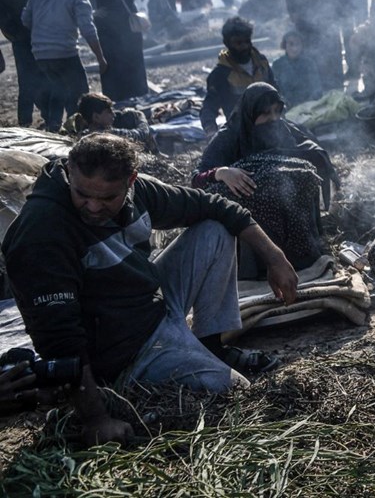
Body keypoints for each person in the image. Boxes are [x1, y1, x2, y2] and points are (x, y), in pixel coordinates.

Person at [3, 134, 298, 445]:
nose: (92, 207)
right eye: (82, 194)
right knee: (237, 393)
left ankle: (210, 344)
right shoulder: (42, 231)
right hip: (123, 349)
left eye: (107, 199)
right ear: (68, 173)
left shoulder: (139, 190)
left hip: (151, 302)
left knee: (215, 229)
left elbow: (215, 205)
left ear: (130, 181)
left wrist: (275, 257)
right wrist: (96, 418)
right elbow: (59, 338)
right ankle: (176, 359)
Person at [193, 83, 338, 271]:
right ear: (251, 112)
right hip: (248, 206)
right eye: (265, 113)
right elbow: (196, 179)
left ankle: (300, 257)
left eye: (277, 111)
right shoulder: (229, 136)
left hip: (283, 201)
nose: (273, 118)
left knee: (299, 178)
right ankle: (258, 267)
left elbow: (309, 147)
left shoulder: (281, 128)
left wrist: (319, 160)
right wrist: (222, 173)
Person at [21, 0, 108, 133]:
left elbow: (25, 19)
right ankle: (77, 130)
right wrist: (100, 58)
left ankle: (53, 127)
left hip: (40, 54)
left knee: (57, 89)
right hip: (65, 54)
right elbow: (88, 30)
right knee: (80, 94)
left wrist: (43, 34)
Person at [0, 0, 54, 127]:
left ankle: (50, 119)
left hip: (44, 42)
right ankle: (25, 124)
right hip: (23, 44)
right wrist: (18, 36)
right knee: (27, 84)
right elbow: (4, 21)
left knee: (47, 81)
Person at [89, 0, 149, 101]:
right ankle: (114, 97)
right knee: (112, 62)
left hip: (128, 29)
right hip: (108, 29)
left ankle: (137, 94)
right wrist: (94, 12)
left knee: (133, 59)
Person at [200, 17, 274, 135]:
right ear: (227, 44)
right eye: (238, 43)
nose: (244, 47)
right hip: (241, 130)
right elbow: (209, 106)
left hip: (271, 125)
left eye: (247, 41)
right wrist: (210, 130)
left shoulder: (262, 63)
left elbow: (276, 91)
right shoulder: (220, 74)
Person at [67, 92, 156, 151]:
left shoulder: (85, 134)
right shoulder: (110, 134)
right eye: (109, 112)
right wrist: (141, 117)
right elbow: (140, 134)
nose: (113, 114)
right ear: (96, 117)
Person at [271, 31, 322, 105]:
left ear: (302, 46)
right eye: (291, 44)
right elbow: (275, 89)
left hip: (308, 106)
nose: (295, 48)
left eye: (298, 44)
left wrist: (310, 102)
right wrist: (282, 101)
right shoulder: (277, 65)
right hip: (285, 107)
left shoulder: (309, 63)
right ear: (285, 45)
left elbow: (316, 87)